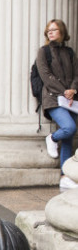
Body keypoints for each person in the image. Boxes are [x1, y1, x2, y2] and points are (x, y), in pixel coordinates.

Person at [37, 19, 78, 189]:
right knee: (69, 128)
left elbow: (77, 73)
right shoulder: (43, 52)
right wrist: (64, 91)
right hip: (53, 99)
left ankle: (65, 176)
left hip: (71, 100)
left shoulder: (69, 52)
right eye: (48, 30)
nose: (50, 33)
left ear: (62, 31)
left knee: (68, 138)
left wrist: (73, 90)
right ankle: (52, 137)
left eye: (54, 30)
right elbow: (45, 76)